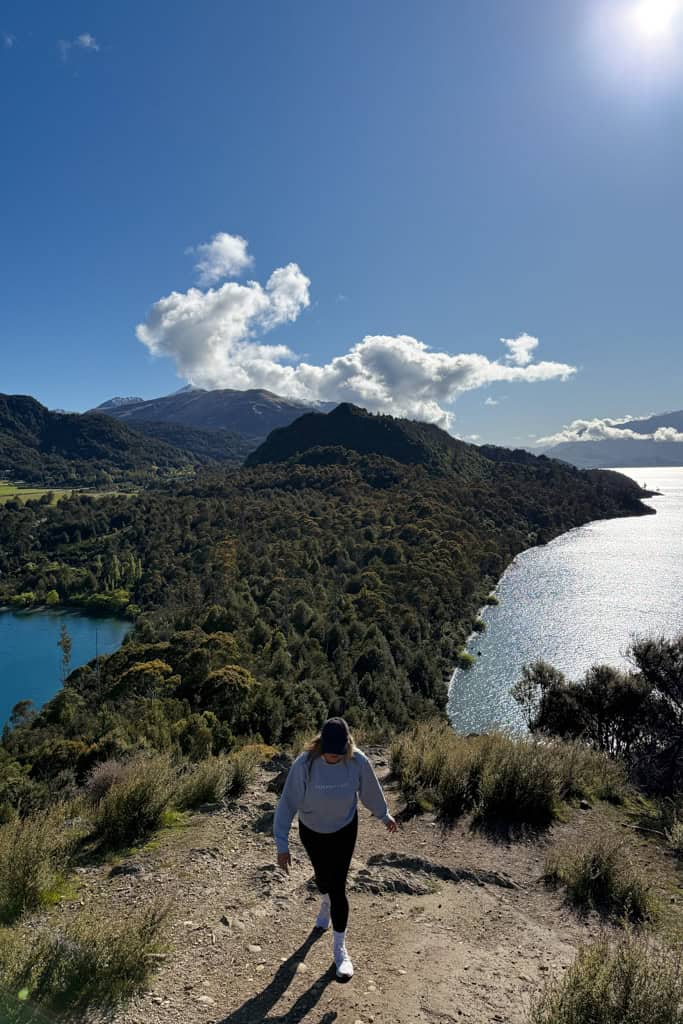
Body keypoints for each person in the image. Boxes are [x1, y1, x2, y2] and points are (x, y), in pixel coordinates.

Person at [273, 717, 398, 979]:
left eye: (338, 752)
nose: (333, 756)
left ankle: (340, 949)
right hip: (313, 832)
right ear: (321, 745)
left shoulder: (357, 761)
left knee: (339, 885)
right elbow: (287, 805)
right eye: (329, 751)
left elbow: (370, 791)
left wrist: (383, 815)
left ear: (347, 745)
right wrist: (282, 845)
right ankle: (325, 902)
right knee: (322, 879)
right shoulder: (304, 764)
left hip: (344, 830)